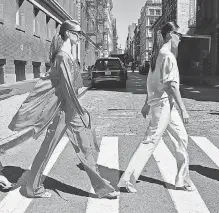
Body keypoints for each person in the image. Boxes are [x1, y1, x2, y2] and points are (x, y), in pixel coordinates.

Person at [8, 20, 119, 199]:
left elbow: (71, 87)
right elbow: (67, 88)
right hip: (62, 111)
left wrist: (78, 110)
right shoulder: (63, 56)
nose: (80, 36)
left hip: (71, 110)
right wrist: (80, 109)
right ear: (68, 33)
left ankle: (102, 188)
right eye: (77, 33)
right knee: (48, 148)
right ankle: (32, 187)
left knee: (85, 147)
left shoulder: (68, 54)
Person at [117, 22, 194, 193]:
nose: (180, 38)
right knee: (151, 140)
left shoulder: (159, 55)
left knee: (182, 138)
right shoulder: (167, 56)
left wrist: (146, 102)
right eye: (178, 35)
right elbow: (171, 86)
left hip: (165, 105)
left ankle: (183, 179)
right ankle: (128, 180)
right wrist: (184, 108)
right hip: (163, 104)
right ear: (170, 35)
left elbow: (152, 82)